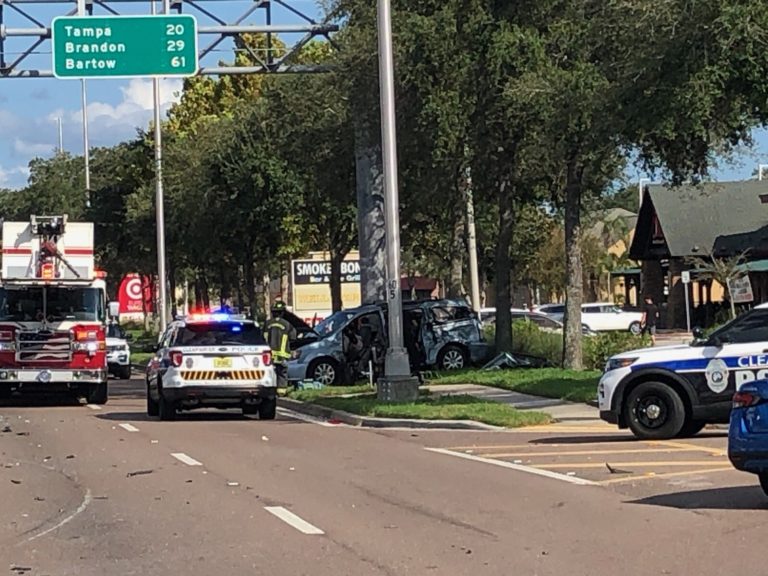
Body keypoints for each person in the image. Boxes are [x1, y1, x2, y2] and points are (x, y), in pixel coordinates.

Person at [264, 301, 296, 387]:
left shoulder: (267, 324)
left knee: (270, 375)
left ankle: (272, 391)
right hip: (282, 356)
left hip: (268, 357)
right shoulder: (288, 325)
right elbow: (293, 338)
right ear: (282, 312)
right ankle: (281, 393)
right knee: (282, 375)